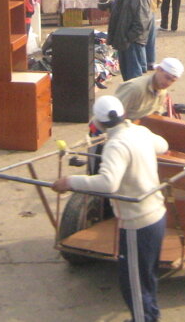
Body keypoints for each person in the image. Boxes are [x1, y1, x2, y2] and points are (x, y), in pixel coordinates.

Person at [52, 96, 168, 322]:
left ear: (99, 122)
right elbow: (163, 146)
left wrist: (70, 182)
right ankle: (150, 317)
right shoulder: (139, 132)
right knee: (146, 277)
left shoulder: (115, 145)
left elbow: (108, 183)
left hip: (138, 222)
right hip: (157, 214)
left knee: (133, 283)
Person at [107, 0, 154, 80]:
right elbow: (120, 9)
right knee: (126, 76)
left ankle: (135, 98)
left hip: (133, 43)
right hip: (123, 41)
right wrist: (108, 5)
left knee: (134, 78)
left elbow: (141, 24)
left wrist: (127, 38)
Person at [114, 57, 184, 121]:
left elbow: (157, 115)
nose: (168, 83)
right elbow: (114, 114)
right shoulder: (134, 88)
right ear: (159, 70)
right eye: (167, 78)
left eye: (172, 81)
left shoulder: (162, 92)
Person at [130, 0, 162, 72]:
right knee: (151, 39)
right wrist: (156, 5)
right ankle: (151, 62)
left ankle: (142, 65)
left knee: (140, 39)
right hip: (151, 11)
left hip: (139, 13)